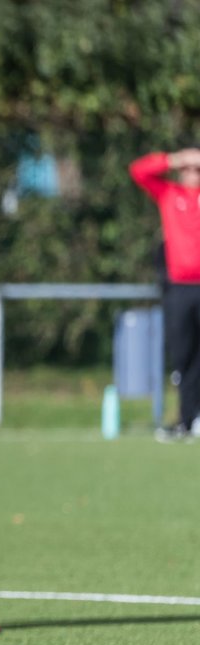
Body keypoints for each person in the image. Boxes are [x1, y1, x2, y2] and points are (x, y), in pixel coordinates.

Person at [129, 148, 200, 440]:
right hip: (180, 288)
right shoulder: (170, 194)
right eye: (188, 169)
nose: (192, 175)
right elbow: (138, 171)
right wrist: (174, 159)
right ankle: (186, 418)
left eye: (197, 170)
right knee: (183, 355)